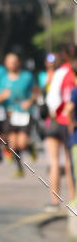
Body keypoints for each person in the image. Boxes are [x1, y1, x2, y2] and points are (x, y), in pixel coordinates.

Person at [43, 45, 76, 209]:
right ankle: (73, 200)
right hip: (71, 123)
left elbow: (52, 99)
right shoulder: (72, 73)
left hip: (56, 121)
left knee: (54, 162)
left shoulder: (60, 72)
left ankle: (54, 201)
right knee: (71, 163)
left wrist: (56, 115)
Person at [0, 53, 37, 178]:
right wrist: (2, 97)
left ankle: (30, 147)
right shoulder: (3, 80)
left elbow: (36, 92)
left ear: (19, 63)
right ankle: (19, 169)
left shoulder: (27, 77)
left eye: (15, 61)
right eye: (10, 62)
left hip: (25, 114)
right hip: (11, 114)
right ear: (6, 64)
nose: (12, 64)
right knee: (13, 144)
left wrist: (30, 101)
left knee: (22, 143)